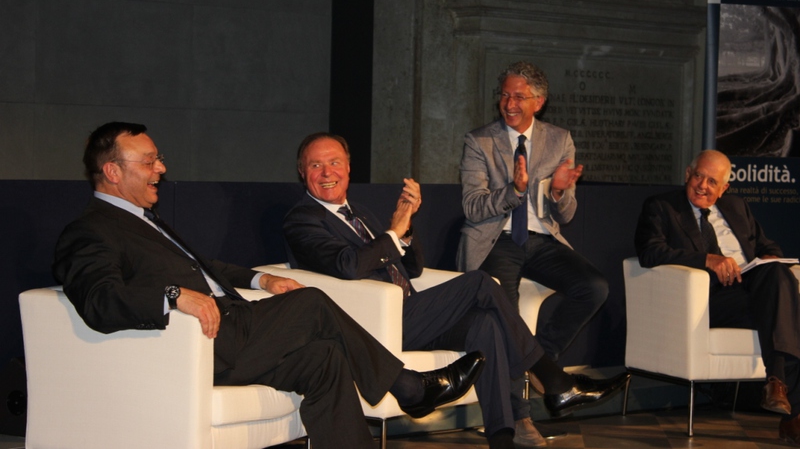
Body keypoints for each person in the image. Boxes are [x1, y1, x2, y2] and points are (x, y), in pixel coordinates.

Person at [52, 121, 486, 449]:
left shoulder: (147, 220)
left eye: (158, 159)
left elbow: (206, 267)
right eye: (149, 161)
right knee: (313, 303)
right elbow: (99, 300)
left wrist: (263, 277)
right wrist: (173, 296)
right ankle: (408, 387)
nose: (161, 169)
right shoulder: (90, 231)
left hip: (237, 331)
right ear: (112, 171)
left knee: (325, 358)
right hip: (203, 344)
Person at [282, 132, 630, 449]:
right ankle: (551, 377)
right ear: (302, 172)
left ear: (348, 168)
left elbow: (412, 269)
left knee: (486, 325)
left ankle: (502, 438)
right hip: (370, 327)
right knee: (480, 282)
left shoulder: (359, 213)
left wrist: (405, 230)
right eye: (316, 165)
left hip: (411, 314)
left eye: (334, 163)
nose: (326, 173)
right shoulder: (302, 220)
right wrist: (392, 233)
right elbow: (347, 265)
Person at [635, 149, 800, 445]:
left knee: (777, 276)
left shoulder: (737, 206)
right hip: (710, 297)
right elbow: (650, 251)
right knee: (787, 312)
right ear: (688, 174)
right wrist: (706, 259)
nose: (703, 186)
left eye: (713, 181)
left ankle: (779, 389)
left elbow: (767, 246)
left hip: (753, 291)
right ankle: (789, 409)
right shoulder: (662, 207)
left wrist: (768, 261)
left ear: (724, 188)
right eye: (699, 176)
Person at [458, 61, 609, 362]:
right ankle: (526, 390)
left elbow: (566, 216)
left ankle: (542, 359)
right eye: (504, 95)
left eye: (518, 97)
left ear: (538, 102)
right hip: (496, 240)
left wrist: (558, 192)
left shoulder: (559, 140)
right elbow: (472, 207)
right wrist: (514, 190)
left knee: (594, 287)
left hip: (542, 241)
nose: (509, 104)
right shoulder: (479, 141)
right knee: (505, 316)